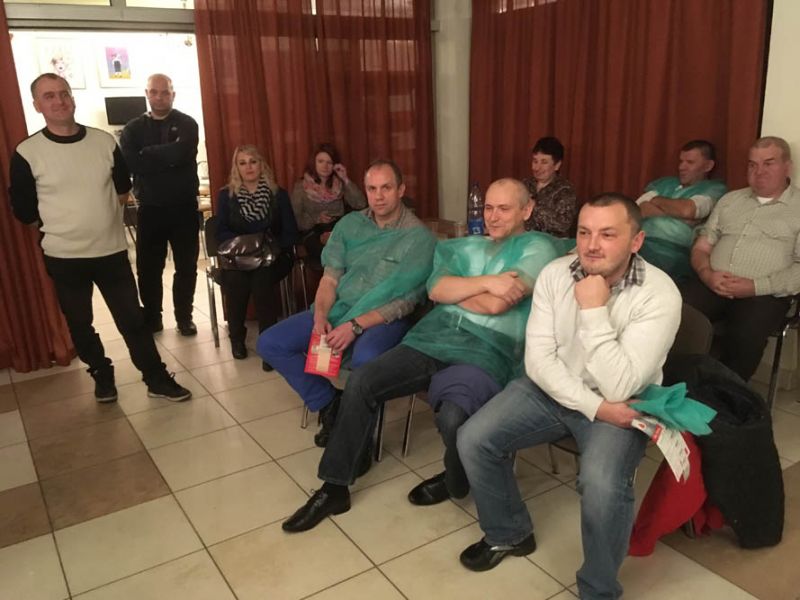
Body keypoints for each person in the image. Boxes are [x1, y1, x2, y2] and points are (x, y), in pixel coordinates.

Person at [280, 178, 564, 533]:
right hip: (433, 337)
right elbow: (435, 288)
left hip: (487, 347)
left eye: (504, 209)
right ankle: (334, 487)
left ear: (527, 209)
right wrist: (487, 283)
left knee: (453, 417)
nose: (492, 217)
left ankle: (455, 478)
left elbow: (496, 305)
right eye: (488, 208)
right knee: (363, 381)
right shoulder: (466, 246)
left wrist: (458, 292)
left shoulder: (537, 247)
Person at [456, 193, 681, 599]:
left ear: (636, 241)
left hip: (624, 402)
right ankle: (509, 533)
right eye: (584, 232)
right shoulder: (555, 274)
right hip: (563, 392)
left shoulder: (659, 294)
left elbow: (620, 386)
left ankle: (598, 589)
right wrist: (594, 406)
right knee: (473, 438)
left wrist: (594, 310)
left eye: (608, 234)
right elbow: (538, 362)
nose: (592, 245)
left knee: (601, 484)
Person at [8, 73, 192, 403]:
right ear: (37, 105)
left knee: (133, 320)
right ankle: (102, 373)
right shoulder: (27, 152)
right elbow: (25, 212)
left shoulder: (103, 142)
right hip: (64, 257)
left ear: (72, 98)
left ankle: (156, 378)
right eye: (49, 96)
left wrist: (98, 221)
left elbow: (122, 190)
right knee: (80, 323)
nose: (59, 101)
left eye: (64, 93)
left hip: (110, 252)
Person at [257, 159, 436, 445]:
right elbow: (330, 279)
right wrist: (320, 317)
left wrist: (355, 326)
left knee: (365, 359)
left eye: (386, 188)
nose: (378, 196)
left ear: (401, 190)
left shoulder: (419, 238)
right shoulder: (351, 224)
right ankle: (330, 402)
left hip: (383, 318)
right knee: (270, 343)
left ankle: (357, 434)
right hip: (340, 309)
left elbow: (404, 303)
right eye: (372, 189)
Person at [681, 136, 800, 382]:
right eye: (752, 164)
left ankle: (724, 395)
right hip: (712, 282)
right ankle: (675, 384)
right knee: (674, 314)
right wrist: (706, 274)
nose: (759, 171)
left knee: (745, 335)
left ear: (787, 167)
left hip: (765, 293)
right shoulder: (731, 200)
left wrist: (755, 286)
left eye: (769, 163)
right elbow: (702, 246)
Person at [120, 73, 200, 336]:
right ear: (147, 94)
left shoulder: (187, 124)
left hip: (184, 208)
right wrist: (169, 157)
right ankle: (153, 318)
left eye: (165, 92)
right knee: (148, 269)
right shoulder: (133, 129)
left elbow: (182, 152)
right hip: (151, 209)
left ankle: (184, 317)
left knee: (186, 267)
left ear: (172, 95)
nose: (159, 97)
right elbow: (131, 162)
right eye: (154, 92)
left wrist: (148, 153)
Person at [214, 145, 298, 363]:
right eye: (242, 163)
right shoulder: (226, 196)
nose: (248, 167)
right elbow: (220, 232)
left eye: (253, 161)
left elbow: (290, 232)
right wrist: (247, 245)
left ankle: (268, 344)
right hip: (238, 259)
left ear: (262, 165)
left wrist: (267, 246)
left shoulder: (278, 195)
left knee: (262, 278)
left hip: (272, 257)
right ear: (236, 168)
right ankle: (237, 339)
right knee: (235, 279)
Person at [636, 140, 727, 280]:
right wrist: (679, 215)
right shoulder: (664, 183)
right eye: (681, 161)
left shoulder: (715, 188)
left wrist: (656, 201)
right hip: (640, 243)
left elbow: (689, 210)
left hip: (675, 253)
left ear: (708, 166)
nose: (681, 167)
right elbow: (638, 209)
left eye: (690, 162)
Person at [291, 142, 366, 261]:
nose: (325, 166)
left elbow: (361, 204)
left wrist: (345, 179)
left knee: (355, 248)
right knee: (328, 252)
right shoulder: (301, 187)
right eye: (320, 161)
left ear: (334, 165)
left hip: (339, 228)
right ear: (314, 163)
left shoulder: (339, 183)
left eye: (329, 162)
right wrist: (316, 219)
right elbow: (295, 220)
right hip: (313, 231)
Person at [523, 136, 577, 238]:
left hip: (552, 243)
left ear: (557, 165)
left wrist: (534, 206)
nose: (537, 168)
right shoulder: (525, 184)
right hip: (522, 239)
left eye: (544, 162)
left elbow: (562, 225)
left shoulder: (565, 190)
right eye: (535, 161)